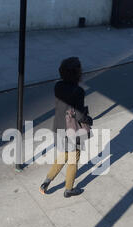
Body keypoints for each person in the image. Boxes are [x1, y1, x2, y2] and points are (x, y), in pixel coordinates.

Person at [39, 57, 92, 198]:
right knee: (74, 158)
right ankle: (69, 189)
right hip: (72, 130)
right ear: (78, 73)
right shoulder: (78, 91)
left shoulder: (58, 86)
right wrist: (89, 120)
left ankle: (47, 181)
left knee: (64, 155)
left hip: (59, 127)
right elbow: (79, 115)